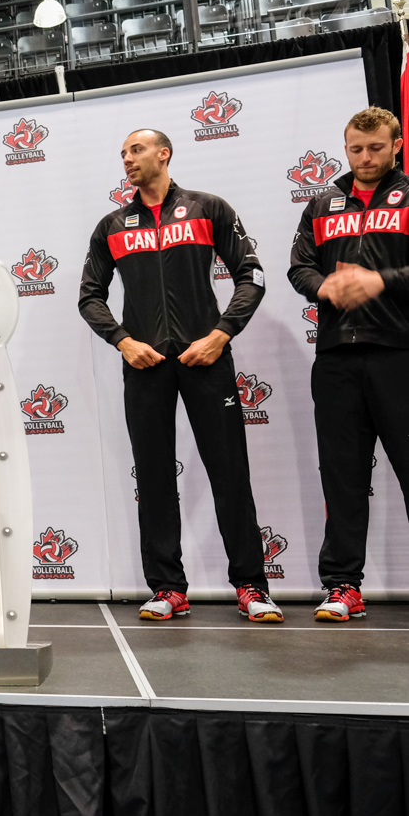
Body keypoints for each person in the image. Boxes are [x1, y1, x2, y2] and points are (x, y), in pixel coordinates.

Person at [79, 129, 282, 623]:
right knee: (152, 477)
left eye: (136, 149)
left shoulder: (209, 208)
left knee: (230, 472)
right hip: (145, 366)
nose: (127, 159)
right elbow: (89, 296)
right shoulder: (112, 225)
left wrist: (221, 334)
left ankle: (252, 588)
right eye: (123, 152)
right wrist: (124, 341)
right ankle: (168, 588)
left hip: (207, 361)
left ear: (163, 153)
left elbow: (251, 275)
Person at [288, 106, 408, 622]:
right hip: (335, 357)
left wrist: (383, 281)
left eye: (375, 148)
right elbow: (299, 266)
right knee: (341, 476)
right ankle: (342, 587)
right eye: (356, 148)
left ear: (397, 145)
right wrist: (324, 287)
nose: (364, 157)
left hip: (399, 353)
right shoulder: (322, 202)